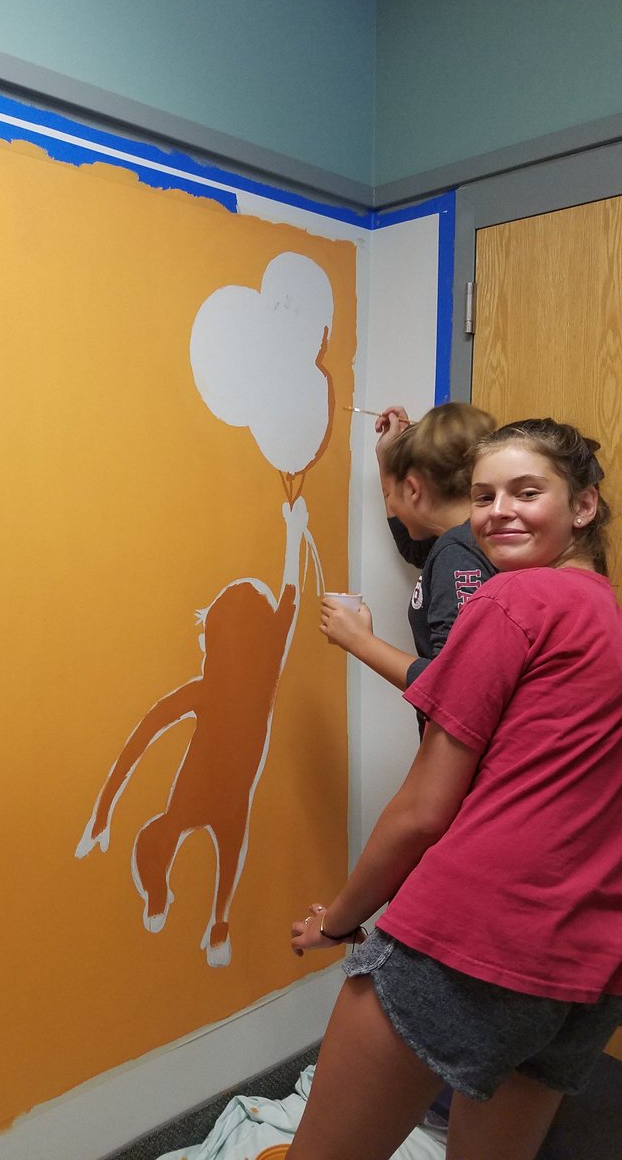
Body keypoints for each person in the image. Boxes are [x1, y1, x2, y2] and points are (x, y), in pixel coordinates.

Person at [289, 418, 622, 1160]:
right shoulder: (605, 615)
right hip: (587, 965)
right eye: (483, 495)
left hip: (470, 936)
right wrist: (385, 464)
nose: (499, 510)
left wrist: (339, 923)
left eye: (526, 492)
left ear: (584, 507)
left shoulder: (512, 604)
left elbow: (423, 811)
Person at [321, 403, 497, 707]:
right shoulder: (466, 540)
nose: (391, 502)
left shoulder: (456, 553)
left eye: (391, 493)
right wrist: (386, 460)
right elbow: (415, 549)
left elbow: (458, 685)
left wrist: (361, 642)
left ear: (413, 491)